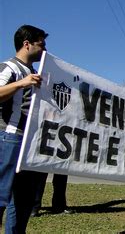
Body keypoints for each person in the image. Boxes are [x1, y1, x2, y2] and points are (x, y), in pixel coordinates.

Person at [0, 25, 48, 233]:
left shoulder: (35, 72)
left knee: (23, 201)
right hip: (10, 137)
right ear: (26, 44)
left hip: (29, 142)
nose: (45, 49)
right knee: (2, 195)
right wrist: (21, 83)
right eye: (41, 44)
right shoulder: (9, 67)